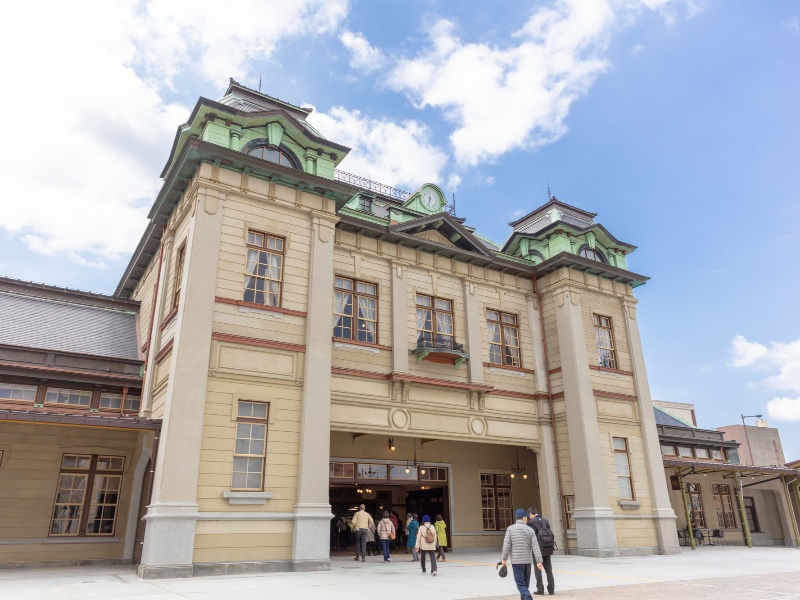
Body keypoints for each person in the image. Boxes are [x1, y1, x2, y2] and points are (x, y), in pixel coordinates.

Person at [501, 508, 543, 600]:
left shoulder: (510, 529)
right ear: (523, 518)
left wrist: (504, 559)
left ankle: (528, 598)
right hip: (527, 562)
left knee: (521, 585)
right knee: (525, 585)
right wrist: (539, 561)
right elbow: (535, 546)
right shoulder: (530, 530)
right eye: (526, 517)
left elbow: (506, 546)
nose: (527, 518)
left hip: (516, 562)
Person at [528, 507, 555, 596]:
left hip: (537, 549)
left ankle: (540, 589)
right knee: (549, 570)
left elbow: (529, 535)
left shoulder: (531, 522)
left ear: (530, 514)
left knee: (538, 570)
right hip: (547, 548)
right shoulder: (545, 520)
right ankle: (551, 590)